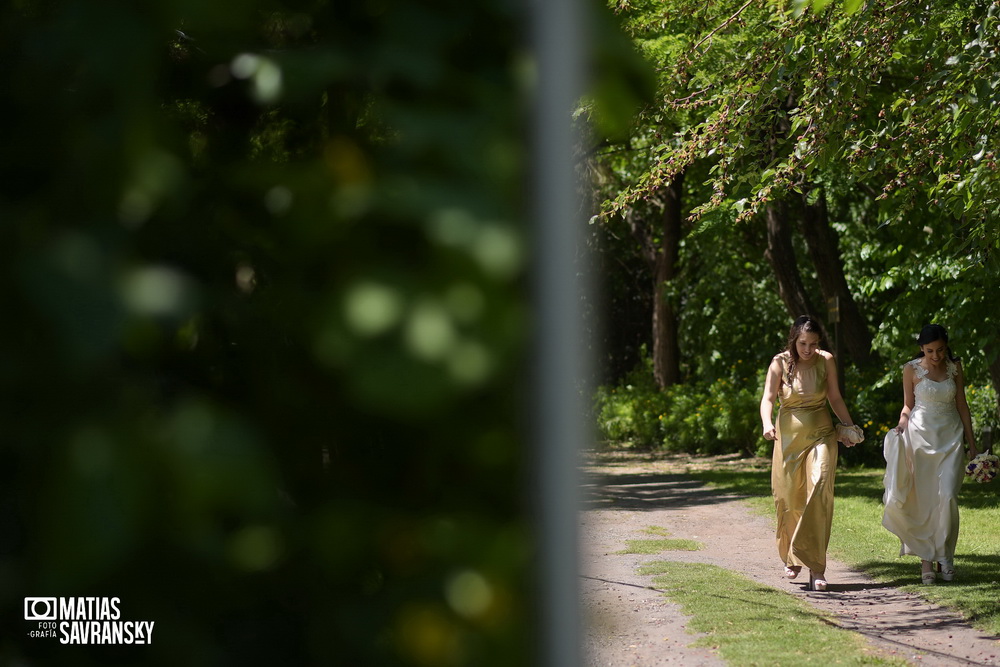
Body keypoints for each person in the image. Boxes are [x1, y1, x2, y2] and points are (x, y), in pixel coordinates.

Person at [759, 316, 861, 591]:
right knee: (789, 499)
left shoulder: (825, 360)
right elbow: (768, 398)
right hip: (789, 437)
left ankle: (817, 568)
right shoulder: (779, 362)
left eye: (813, 344)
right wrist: (767, 423)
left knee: (820, 488)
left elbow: (835, 397)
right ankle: (793, 555)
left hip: (822, 433)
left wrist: (849, 426)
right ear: (794, 340)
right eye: (803, 343)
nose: (808, 349)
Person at [882, 324, 978, 584]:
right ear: (921, 349)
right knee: (925, 500)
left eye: (940, 350)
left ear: (947, 346)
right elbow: (907, 405)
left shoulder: (954, 368)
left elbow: (962, 404)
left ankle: (945, 555)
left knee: (947, 496)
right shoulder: (911, 369)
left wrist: (973, 444)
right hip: (920, 437)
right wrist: (901, 425)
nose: (936, 356)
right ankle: (926, 560)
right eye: (930, 351)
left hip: (952, 438)